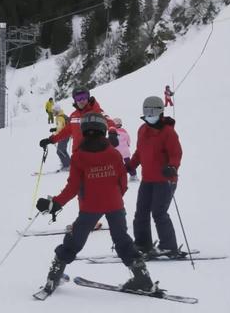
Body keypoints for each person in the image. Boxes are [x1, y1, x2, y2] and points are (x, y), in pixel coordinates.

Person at [35, 113, 154, 296]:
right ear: (103, 131)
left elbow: (72, 187)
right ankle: (142, 278)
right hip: (115, 205)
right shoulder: (113, 154)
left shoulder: (79, 157)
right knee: (122, 240)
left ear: (83, 131)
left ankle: (54, 276)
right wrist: (115, 197)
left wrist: (56, 203)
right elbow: (123, 181)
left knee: (75, 241)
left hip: (90, 207)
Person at [126, 96, 183, 257]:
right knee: (141, 212)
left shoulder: (168, 132)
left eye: (153, 111)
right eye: (147, 111)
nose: (150, 114)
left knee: (159, 212)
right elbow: (140, 152)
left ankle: (169, 246)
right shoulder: (142, 130)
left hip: (165, 180)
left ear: (161, 111)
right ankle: (143, 244)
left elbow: (176, 153)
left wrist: (172, 167)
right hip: (148, 179)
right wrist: (131, 164)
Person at [39, 87, 114, 155]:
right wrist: (50, 140)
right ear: (75, 100)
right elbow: (65, 131)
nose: (81, 100)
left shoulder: (97, 112)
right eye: (78, 98)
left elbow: (110, 122)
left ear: (88, 97)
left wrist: (113, 133)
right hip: (78, 155)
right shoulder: (74, 116)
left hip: (95, 154)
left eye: (84, 97)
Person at [50, 103, 71, 171]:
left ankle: (67, 165)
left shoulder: (59, 118)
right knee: (62, 150)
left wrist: (54, 135)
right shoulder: (63, 115)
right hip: (66, 135)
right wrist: (54, 129)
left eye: (54, 111)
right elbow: (63, 126)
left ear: (57, 111)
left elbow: (60, 129)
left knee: (60, 151)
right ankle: (67, 163)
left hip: (63, 136)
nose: (53, 113)